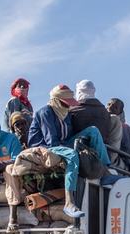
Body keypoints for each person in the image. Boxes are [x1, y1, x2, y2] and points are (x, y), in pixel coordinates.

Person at [28, 84, 111, 218]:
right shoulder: (46, 113)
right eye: (66, 103)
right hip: (45, 147)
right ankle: (69, 202)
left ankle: (106, 170)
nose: (69, 106)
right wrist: (72, 149)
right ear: (56, 100)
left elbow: (68, 136)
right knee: (72, 155)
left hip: (61, 144)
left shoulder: (65, 113)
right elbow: (52, 142)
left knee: (93, 131)